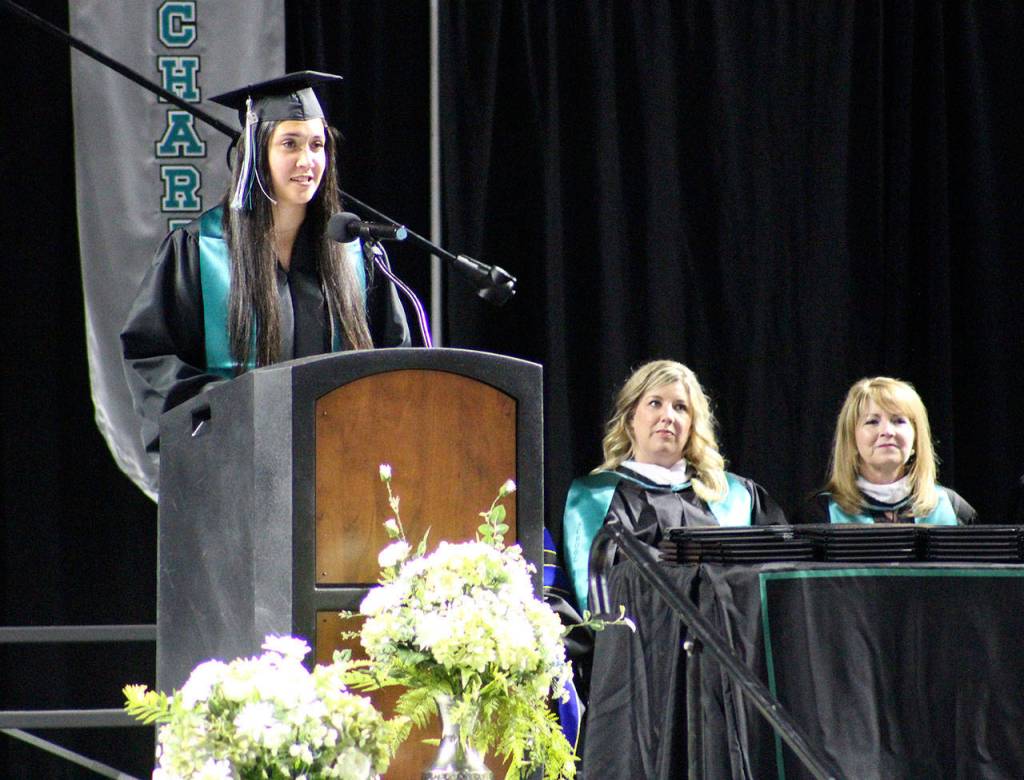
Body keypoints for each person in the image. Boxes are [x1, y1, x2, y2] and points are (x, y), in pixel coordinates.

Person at [121, 71, 409, 464]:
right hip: (234, 462)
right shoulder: (200, 249)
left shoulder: (352, 255)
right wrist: (229, 407)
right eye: (290, 144)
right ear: (257, 153)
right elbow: (152, 357)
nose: (307, 160)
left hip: (338, 463)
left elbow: (395, 361)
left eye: (317, 145)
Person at [562, 359, 787, 613]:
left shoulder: (736, 496)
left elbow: (777, 586)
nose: (668, 417)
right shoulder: (595, 499)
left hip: (729, 637)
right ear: (631, 417)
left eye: (680, 407)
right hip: (638, 637)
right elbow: (597, 597)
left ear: (692, 424)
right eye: (655, 403)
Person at [798, 377, 976, 524]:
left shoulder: (952, 510)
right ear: (851, 440)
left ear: (916, 438)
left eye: (898, 421)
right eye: (872, 421)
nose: (887, 431)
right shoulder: (820, 515)